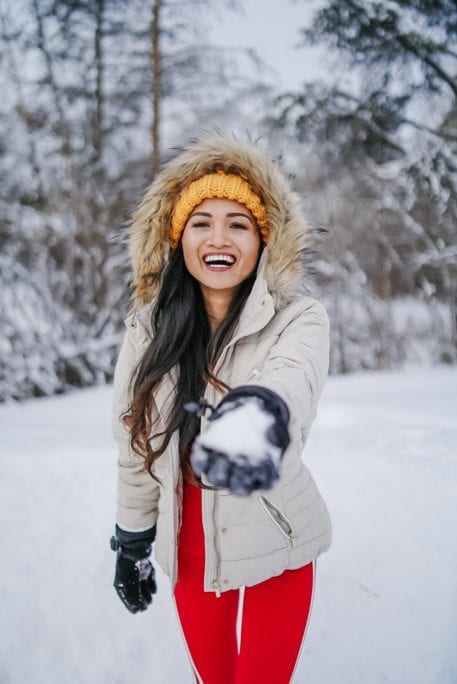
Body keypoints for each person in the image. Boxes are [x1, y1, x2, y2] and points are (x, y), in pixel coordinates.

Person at [110, 135, 332, 683]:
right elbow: (135, 445)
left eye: (238, 223)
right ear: (177, 237)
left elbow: (293, 378)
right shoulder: (149, 331)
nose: (219, 237)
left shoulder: (300, 318)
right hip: (190, 550)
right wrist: (132, 539)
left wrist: (259, 413)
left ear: (263, 240)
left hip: (275, 540)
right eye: (201, 221)